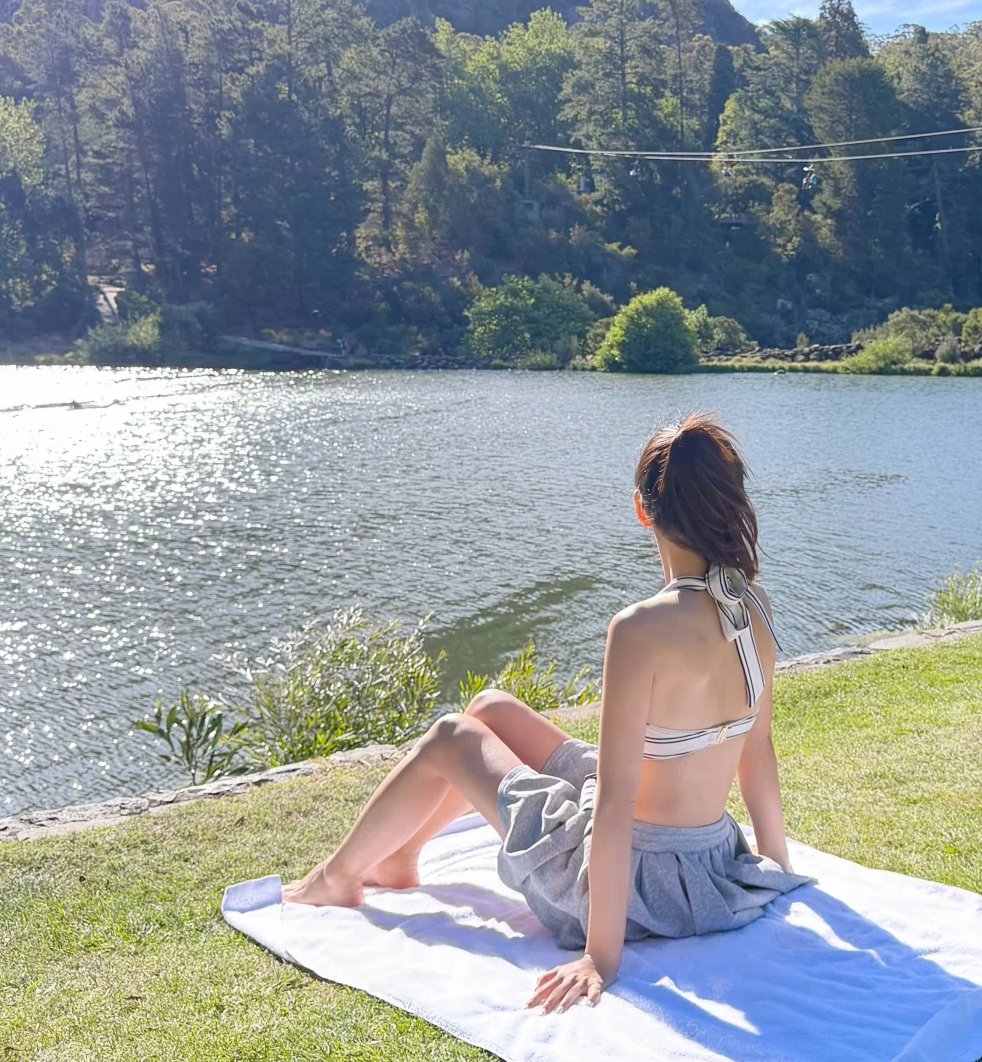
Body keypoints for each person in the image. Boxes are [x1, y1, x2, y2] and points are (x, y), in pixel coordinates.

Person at [284, 413, 810, 1012]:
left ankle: (337, 878)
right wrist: (771, 866)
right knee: (489, 708)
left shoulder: (640, 629)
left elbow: (614, 803)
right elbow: (756, 748)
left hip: (636, 883)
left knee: (452, 735)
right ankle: (401, 855)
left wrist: (600, 956)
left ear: (643, 510)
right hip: (709, 863)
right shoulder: (753, 606)